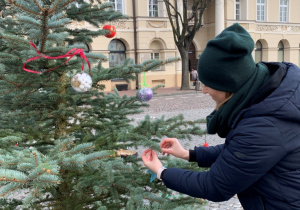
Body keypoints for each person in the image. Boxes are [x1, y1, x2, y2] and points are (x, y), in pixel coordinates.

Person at [142, 23, 300, 210]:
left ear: (230, 85)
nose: (204, 90)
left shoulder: (265, 125)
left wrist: (161, 172)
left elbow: (215, 186)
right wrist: (188, 154)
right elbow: (237, 151)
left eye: (209, 84)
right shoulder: (265, 98)